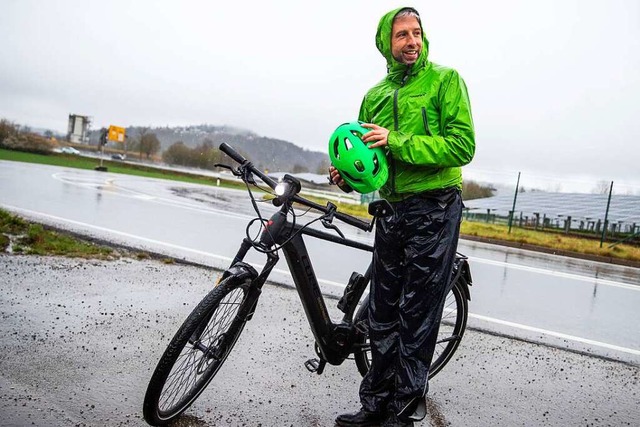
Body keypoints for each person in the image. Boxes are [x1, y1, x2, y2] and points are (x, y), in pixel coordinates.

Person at [330, 7, 475, 427]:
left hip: (436, 206)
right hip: (392, 209)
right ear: (386, 44)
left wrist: (397, 140)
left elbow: (461, 146)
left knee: (417, 313)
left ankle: (405, 408)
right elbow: (370, 166)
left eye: (417, 33)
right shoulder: (374, 96)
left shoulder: (446, 81)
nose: (411, 41)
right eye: (402, 36)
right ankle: (374, 402)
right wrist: (347, 178)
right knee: (381, 311)